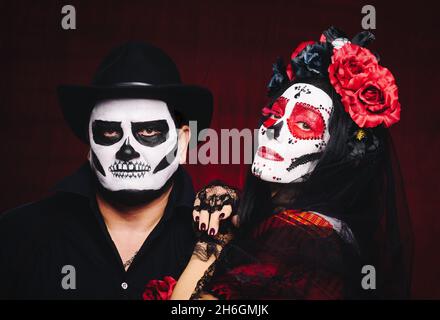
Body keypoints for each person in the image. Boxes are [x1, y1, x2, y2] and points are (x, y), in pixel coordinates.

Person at [168, 27, 412, 300]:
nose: (275, 130)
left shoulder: (304, 236)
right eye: (274, 114)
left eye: (304, 124)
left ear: (338, 151)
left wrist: (208, 246)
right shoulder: (305, 230)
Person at [0, 42, 214, 299]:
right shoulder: (16, 237)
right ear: (90, 144)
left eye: (147, 131)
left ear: (181, 143)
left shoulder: (221, 244)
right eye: (110, 132)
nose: (127, 150)